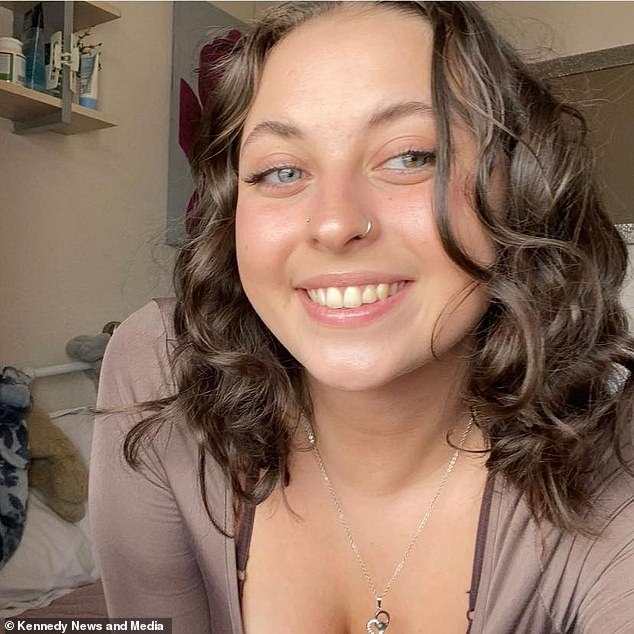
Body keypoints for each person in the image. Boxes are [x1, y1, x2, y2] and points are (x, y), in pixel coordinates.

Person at [89, 2, 634, 632]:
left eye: (410, 156)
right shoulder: (163, 371)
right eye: (281, 170)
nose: (334, 222)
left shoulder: (611, 467)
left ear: (518, 185)